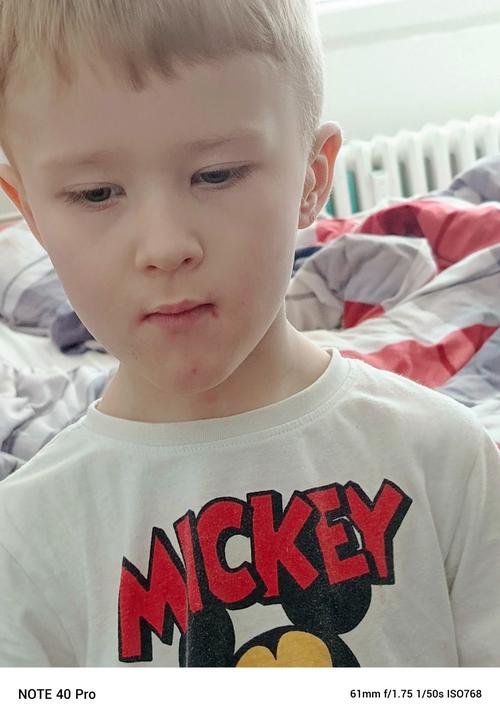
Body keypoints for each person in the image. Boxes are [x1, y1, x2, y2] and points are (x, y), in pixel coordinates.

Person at [0, 0, 498, 668]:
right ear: (29, 212)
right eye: (96, 194)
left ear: (312, 179)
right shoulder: (26, 541)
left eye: (216, 175)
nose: (166, 246)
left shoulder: (447, 460)